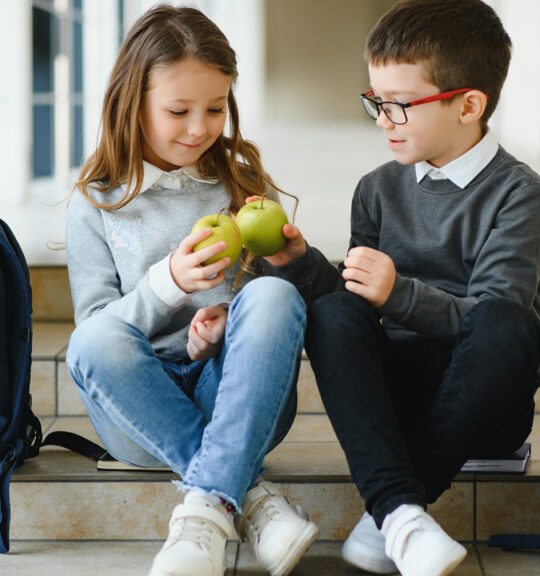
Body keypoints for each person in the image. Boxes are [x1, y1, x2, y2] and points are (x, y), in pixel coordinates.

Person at [259, 1, 540, 574]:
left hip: (485, 402)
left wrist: (399, 295)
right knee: (333, 315)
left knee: (508, 323)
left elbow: (493, 320)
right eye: (376, 101)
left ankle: (388, 507)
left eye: (400, 105)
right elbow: (356, 302)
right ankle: (401, 518)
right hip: (396, 398)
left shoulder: (521, 194)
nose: (383, 120)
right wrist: (297, 261)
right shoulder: (376, 189)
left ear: (469, 105)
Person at [64, 5, 318, 576]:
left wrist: (233, 315)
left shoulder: (242, 184)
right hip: (140, 413)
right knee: (91, 342)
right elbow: (99, 335)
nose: (200, 128)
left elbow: (269, 318)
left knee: (276, 298)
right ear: (133, 103)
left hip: (235, 397)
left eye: (216, 108)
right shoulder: (96, 204)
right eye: (178, 110)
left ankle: (204, 511)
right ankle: (248, 497)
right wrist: (169, 284)